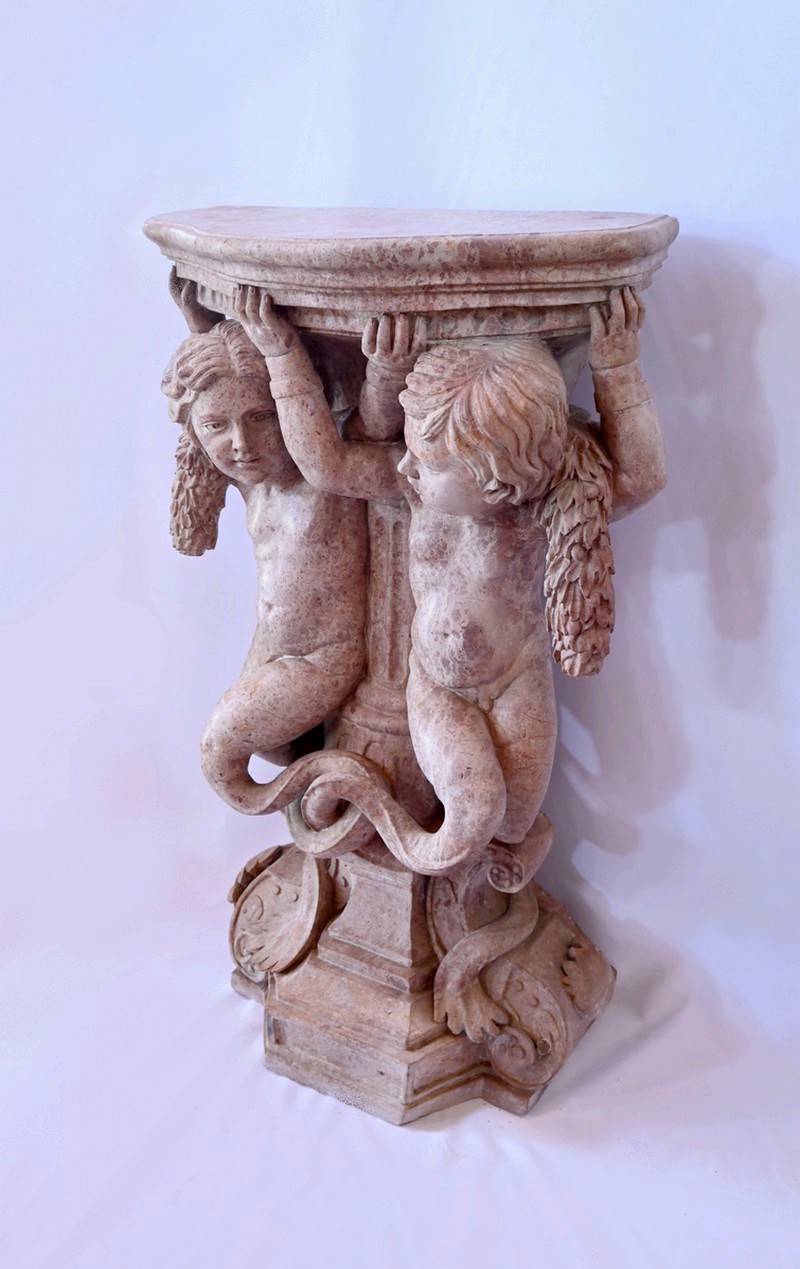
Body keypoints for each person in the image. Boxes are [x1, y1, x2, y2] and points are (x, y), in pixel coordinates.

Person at [233, 284, 666, 873]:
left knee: (513, 823)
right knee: (477, 810)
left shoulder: (542, 506)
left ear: (496, 478)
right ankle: (389, 828)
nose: (405, 464)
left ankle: (487, 856)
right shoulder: (416, 491)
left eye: (428, 460)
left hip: (517, 679)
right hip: (438, 686)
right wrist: (283, 355)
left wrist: (617, 371)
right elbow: (326, 465)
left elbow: (641, 478)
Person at [162, 279, 396, 811]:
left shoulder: (327, 474)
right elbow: (221, 387)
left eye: (263, 419)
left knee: (220, 753)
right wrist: (202, 325)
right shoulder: (255, 476)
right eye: (216, 427)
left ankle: (338, 803)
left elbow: (375, 420)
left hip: (321, 658)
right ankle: (326, 802)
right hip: (271, 642)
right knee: (270, 747)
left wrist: (381, 369)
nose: (241, 446)